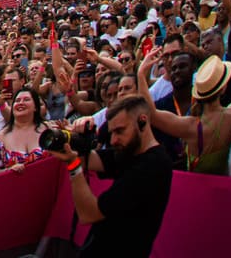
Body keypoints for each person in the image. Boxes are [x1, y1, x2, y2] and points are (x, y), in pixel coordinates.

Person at [48, 96, 172, 258]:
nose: (113, 140)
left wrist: (73, 166)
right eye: (111, 133)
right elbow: (92, 160)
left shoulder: (153, 165)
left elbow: (88, 213)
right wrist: (75, 141)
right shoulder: (131, 151)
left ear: (142, 121)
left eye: (119, 131)